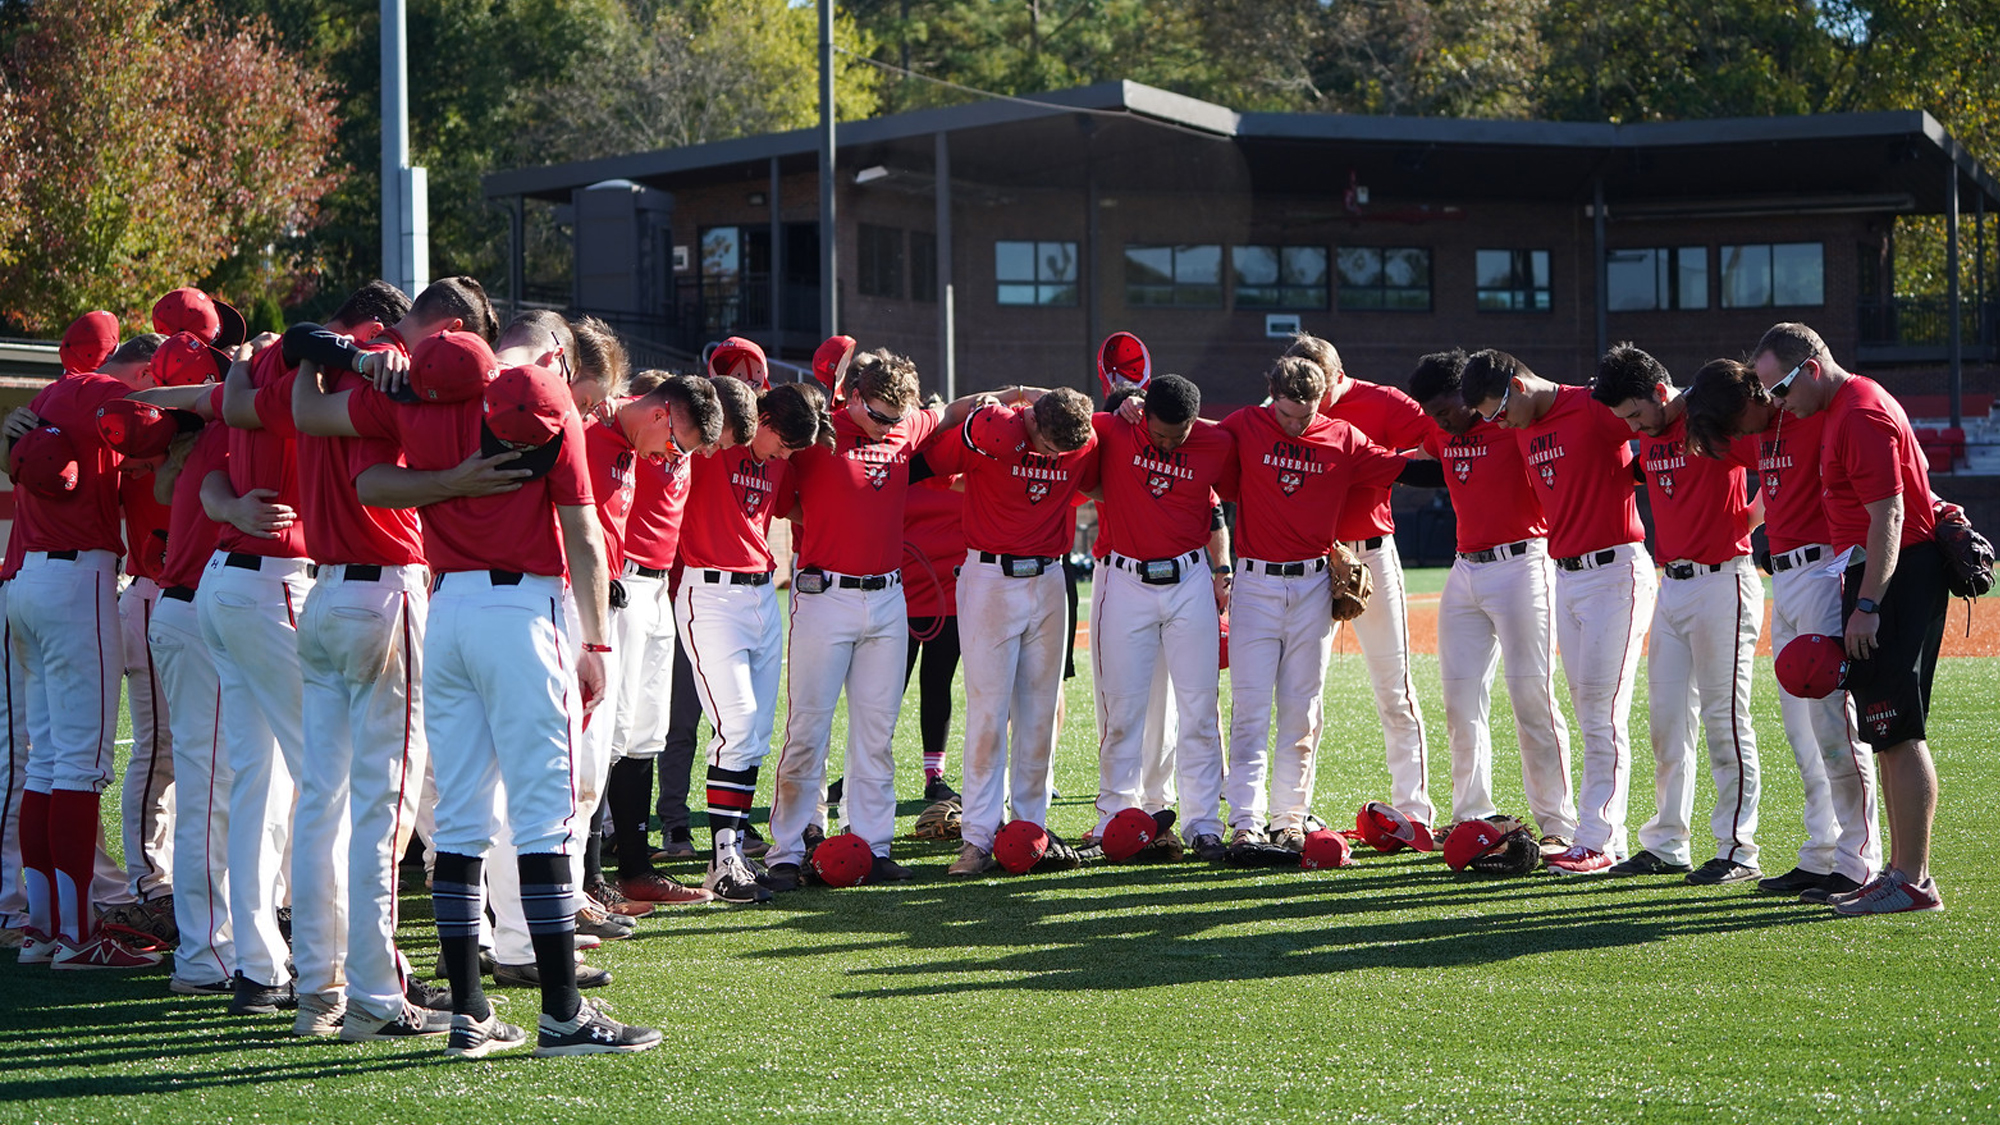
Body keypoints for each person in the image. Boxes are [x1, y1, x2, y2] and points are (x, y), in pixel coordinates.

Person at [1749, 322, 1947, 916]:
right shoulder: (1839, 408)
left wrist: (1867, 603)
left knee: (1898, 729)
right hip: (1883, 573)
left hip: (1896, 575)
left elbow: (1889, 515)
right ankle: (1898, 873)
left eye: (1779, 389)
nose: (1776, 405)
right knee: (1884, 735)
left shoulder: (1857, 411)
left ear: (1809, 368)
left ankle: (1913, 879)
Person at [1683, 359, 1881, 901]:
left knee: (1836, 727)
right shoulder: (1756, 428)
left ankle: (1858, 860)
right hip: (1787, 578)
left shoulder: (1815, 414)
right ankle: (1821, 854)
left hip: (1827, 569)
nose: (1739, 434)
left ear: (1756, 393)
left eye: (1739, 419)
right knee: (1803, 731)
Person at [1460, 349, 1657, 875]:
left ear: (1519, 387)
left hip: (1615, 569)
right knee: (1586, 707)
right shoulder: (1523, 424)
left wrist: (1642, 475)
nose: (1495, 424)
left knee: (1601, 714)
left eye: (1498, 412)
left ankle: (1599, 838)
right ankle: (1591, 834)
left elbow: (1665, 414)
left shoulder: (1592, 407)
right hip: (1565, 574)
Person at [1217, 356, 1411, 852]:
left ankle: (1289, 817)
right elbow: (1190, 437)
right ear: (1270, 393)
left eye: (1305, 415)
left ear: (1322, 398)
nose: (1295, 424)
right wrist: (1132, 404)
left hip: (1312, 587)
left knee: (1302, 712)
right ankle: (1245, 820)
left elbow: (1405, 468)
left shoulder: (1342, 436)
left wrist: (1460, 449)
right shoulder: (1244, 424)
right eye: (1286, 414)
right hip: (1256, 584)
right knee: (1251, 710)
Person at [1592, 348, 1763, 885]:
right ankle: (1667, 843)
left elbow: (1782, 466)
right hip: (1674, 585)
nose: (1634, 427)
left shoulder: (1709, 415)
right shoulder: (1654, 426)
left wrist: (1746, 523)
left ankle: (1737, 849)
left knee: (1725, 723)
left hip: (1724, 582)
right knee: (1666, 725)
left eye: (1636, 416)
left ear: (1660, 393)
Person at [917, 387, 1097, 876]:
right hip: (991, 576)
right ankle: (977, 834)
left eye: (1061, 454)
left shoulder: (1082, 440)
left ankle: (1030, 830)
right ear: (1032, 422)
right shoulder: (997, 428)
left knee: (1040, 715)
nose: (1051, 459)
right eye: (1046, 447)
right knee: (988, 714)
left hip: (1050, 577)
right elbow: (927, 465)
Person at [1407, 350, 1578, 852]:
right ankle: (1471, 815)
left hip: (1523, 563)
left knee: (1532, 698)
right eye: (1433, 417)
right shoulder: (1443, 431)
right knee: (1460, 702)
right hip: (1465, 568)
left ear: (1471, 394)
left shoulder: (1511, 424)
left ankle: (1558, 824)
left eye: (1447, 410)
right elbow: (1431, 465)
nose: (1441, 423)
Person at [579, 370, 720, 909]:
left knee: (645, 734)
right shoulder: (605, 429)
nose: (677, 455)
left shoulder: (642, 434)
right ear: (661, 414)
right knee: (604, 737)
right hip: (618, 587)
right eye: (678, 444)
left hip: (656, 585)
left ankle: (634, 869)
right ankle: (591, 880)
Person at [677, 381, 823, 901]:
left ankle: (733, 851)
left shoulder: (778, 452)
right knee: (736, 724)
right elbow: (688, 396)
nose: (784, 456)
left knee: (755, 731)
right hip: (710, 592)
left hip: (764, 594)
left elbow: (789, 505)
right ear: (759, 420)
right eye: (780, 444)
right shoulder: (717, 439)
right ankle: (722, 860)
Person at [1085, 374, 1238, 860]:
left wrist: (1224, 568)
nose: (1169, 444)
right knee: (1122, 708)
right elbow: (1065, 420)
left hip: (1189, 578)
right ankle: (1115, 816)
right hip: (1125, 579)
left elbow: (1231, 497)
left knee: (1199, 708)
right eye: (1160, 434)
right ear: (1142, 412)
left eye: (1179, 436)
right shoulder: (1112, 426)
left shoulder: (1215, 440)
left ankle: (1203, 823)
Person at [1286, 334, 1436, 829]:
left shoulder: (1384, 401)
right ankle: (1293, 811)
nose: (1307, 400)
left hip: (1371, 554)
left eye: (1316, 388)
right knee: (1304, 693)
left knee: (1395, 689)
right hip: (1312, 558)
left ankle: (1413, 809)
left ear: (1336, 375)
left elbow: (1443, 439)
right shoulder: (1287, 402)